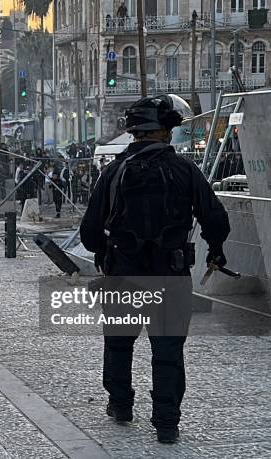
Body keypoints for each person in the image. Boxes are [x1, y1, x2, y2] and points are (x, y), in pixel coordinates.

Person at [80, 95, 230, 444]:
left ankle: (120, 405)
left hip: (123, 274)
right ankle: (166, 424)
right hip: (170, 274)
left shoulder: (113, 171)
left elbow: (89, 231)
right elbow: (214, 216)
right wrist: (217, 251)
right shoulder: (185, 170)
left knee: (118, 344)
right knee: (167, 351)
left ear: (133, 131)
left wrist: (106, 252)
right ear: (165, 131)